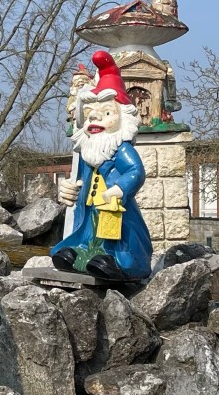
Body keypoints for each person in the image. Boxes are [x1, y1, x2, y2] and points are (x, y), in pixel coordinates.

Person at [50, 51, 151, 281]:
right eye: (89, 116)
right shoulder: (89, 151)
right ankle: (80, 254)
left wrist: (119, 189)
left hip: (114, 206)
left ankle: (119, 262)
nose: (94, 120)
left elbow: (136, 171)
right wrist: (68, 189)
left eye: (106, 113)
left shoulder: (120, 148)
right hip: (89, 208)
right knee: (88, 232)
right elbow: (78, 180)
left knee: (115, 235)